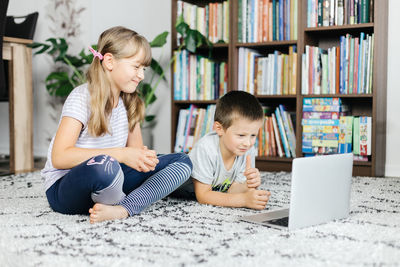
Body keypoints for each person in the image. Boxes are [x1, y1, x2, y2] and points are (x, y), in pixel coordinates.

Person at [41, 26, 192, 223]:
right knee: (106, 165)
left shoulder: (131, 102)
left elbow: (134, 155)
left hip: (112, 177)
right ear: (110, 61)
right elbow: (60, 157)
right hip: (66, 188)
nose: (142, 75)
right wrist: (121, 154)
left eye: (144, 69)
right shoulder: (81, 97)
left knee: (182, 161)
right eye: (136, 67)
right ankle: (118, 199)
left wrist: (142, 157)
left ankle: (123, 208)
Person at [172, 91, 270, 210]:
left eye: (253, 135)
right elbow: (203, 196)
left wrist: (247, 186)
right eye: (241, 135)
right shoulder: (206, 148)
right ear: (219, 128)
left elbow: (230, 190)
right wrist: (243, 200)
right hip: (168, 177)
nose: (248, 143)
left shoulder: (246, 150)